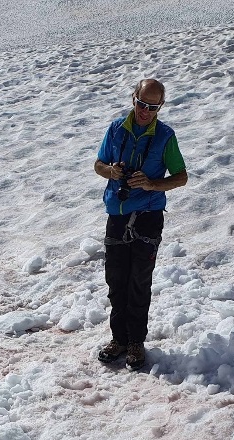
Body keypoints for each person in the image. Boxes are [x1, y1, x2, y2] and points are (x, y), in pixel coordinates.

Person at [94, 78, 188, 370]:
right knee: (116, 281)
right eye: (141, 103)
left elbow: (181, 176)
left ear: (161, 106)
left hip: (148, 216)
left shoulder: (165, 136)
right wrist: (111, 171)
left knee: (139, 281)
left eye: (152, 107)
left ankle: (135, 341)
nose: (145, 111)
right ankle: (118, 339)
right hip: (118, 214)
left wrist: (151, 184)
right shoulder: (116, 129)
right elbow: (99, 164)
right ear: (133, 98)